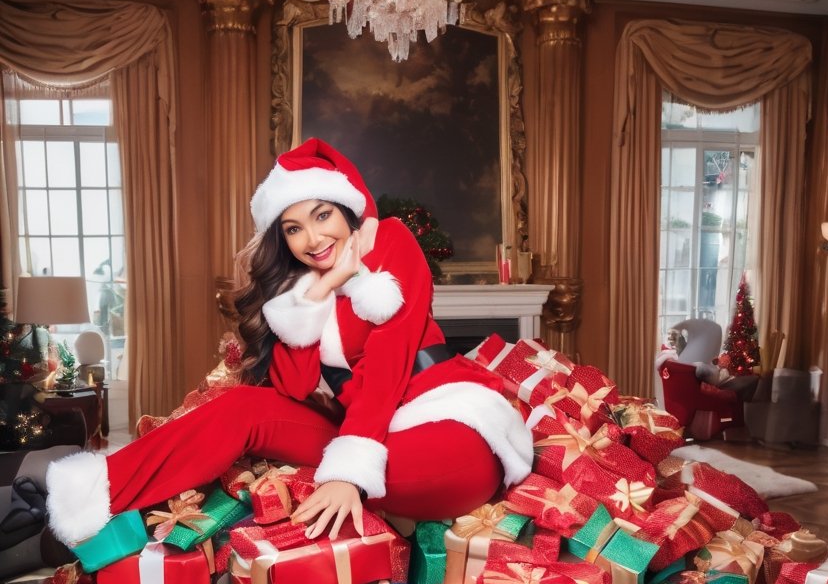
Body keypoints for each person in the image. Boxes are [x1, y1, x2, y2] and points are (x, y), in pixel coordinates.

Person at [45, 138, 533, 547]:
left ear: (345, 208)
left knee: (438, 464)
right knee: (242, 406)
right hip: (361, 433)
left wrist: (349, 472)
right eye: (294, 229)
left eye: (322, 216)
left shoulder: (390, 240)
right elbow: (296, 387)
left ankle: (363, 482)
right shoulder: (300, 289)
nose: (312, 239)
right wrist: (316, 293)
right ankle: (94, 496)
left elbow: (390, 357)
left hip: (445, 417)